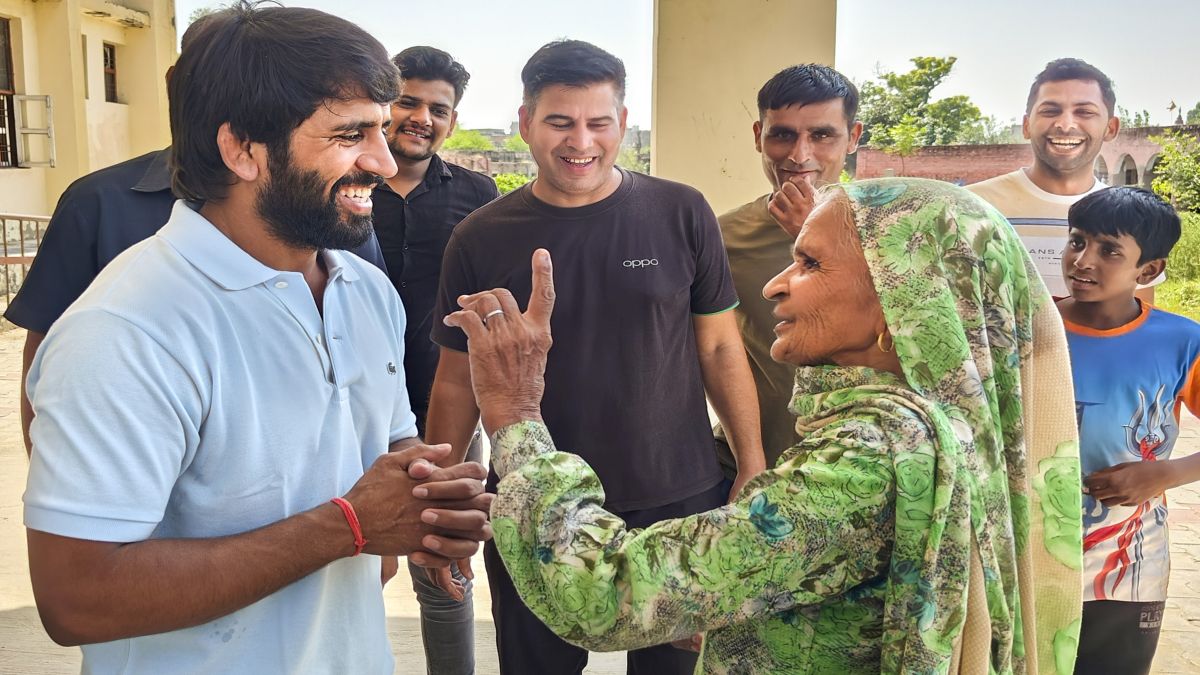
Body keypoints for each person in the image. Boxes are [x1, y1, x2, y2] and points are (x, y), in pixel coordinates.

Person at [446, 178, 1086, 674]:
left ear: (903, 304)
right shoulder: (943, 425)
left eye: (810, 265)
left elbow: (604, 593)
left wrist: (516, 410)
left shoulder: (868, 463)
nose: (777, 286)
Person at [21, 4, 492, 673]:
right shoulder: (128, 330)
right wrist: (351, 526)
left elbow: (388, 443)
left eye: (382, 130)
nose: (385, 162)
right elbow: (76, 598)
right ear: (242, 148)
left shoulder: (362, 289)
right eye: (351, 133)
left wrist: (430, 500)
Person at [426, 39, 765, 674]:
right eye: (559, 121)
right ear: (526, 123)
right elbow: (455, 384)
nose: (580, 141)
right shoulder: (479, 237)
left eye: (598, 123)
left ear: (622, 125)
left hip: (676, 501)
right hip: (532, 506)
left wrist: (751, 464)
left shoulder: (680, 212)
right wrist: (443, 509)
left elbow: (719, 346)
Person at [3, 16, 388, 458]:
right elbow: (48, 357)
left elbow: (359, 338)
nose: (383, 164)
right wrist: (62, 473)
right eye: (350, 134)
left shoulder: (330, 219)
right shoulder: (99, 205)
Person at [372, 45, 500, 675]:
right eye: (407, 101)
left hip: (444, 412)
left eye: (438, 108)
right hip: (348, 407)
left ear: (452, 120)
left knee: (443, 564)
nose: (420, 117)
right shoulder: (338, 184)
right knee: (345, 559)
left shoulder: (476, 196)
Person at [1055, 187, 1200, 675]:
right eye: (1077, 241)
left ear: (1149, 270)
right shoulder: (1025, 329)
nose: (1083, 260)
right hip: (1025, 559)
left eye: (1109, 250)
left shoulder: (1181, 341)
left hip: (1126, 570)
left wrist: (1165, 473)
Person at [715, 63, 863, 478]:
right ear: (759, 136)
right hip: (757, 464)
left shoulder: (892, 231)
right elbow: (714, 353)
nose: (800, 155)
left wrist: (813, 234)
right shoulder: (722, 237)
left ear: (852, 137)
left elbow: (909, 345)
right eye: (783, 134)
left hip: (858, 467)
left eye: (821, 135)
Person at [968, 57, 1162, 302]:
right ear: (1027, 125)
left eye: (1085, 112)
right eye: (1050, 111)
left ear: (1110, 128)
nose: (1065, 124)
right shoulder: (971, 206)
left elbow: (1137, 322)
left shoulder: (1133, 219)